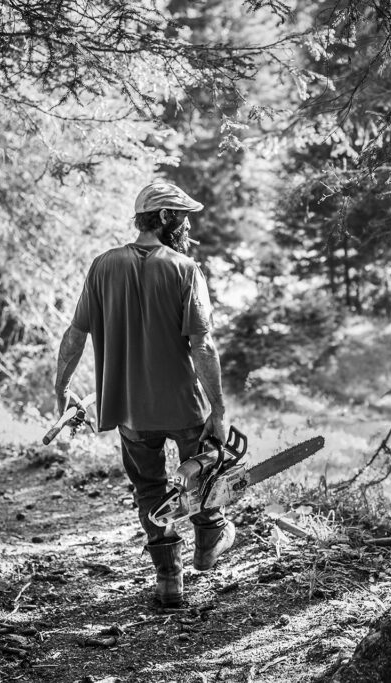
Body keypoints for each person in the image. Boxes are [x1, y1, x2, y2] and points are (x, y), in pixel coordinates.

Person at [54, 181, 235, 607]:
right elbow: (202, 345)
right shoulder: (185, 269)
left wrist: (61, 387)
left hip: (130, 411)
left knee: (149, 489)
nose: (187, 225)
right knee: (205, 467)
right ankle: (209, 537)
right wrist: (219, 409)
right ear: (168, 218)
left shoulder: (102, 266)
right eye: (183, 216)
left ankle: (168, 579)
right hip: (182, 406)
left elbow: (75, 333)